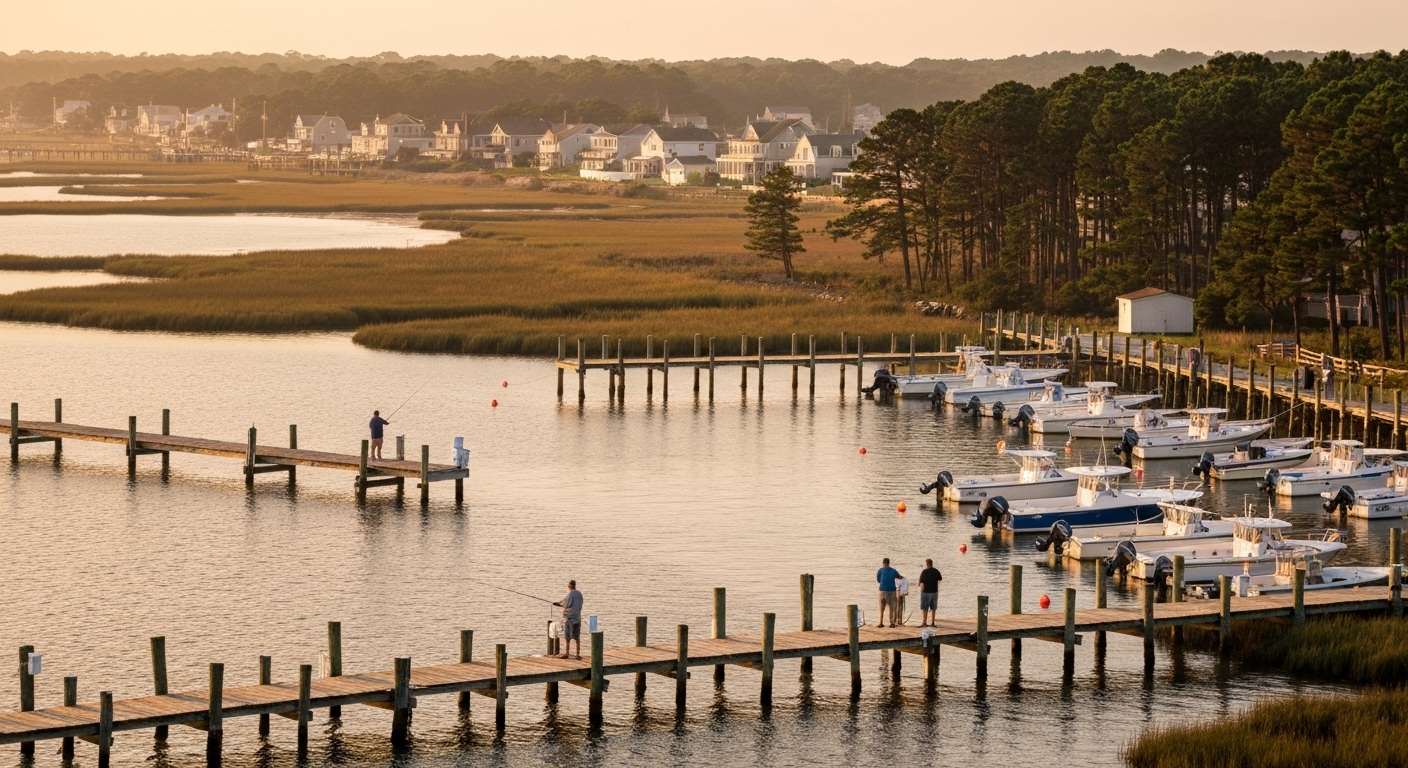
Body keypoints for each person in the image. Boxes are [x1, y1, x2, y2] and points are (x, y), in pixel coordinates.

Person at [553, 580, 583, 660]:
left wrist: (559, 604)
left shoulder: (570, 594)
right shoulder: (579, 594)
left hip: (570, 618)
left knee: (567, 638)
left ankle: (567, 653)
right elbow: (565, 600)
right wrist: (559, 602)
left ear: (569, 586)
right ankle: (577, 654)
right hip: (577, 618)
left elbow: (566, 604)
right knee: (577, 638)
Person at [876, 558, 901, 628]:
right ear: (889, 563)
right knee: (892, 607)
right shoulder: (893, 571)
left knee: (881, 607)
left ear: (883, 563)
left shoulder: (880, 570)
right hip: (892, 590)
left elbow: (878, 580)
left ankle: (880, 622)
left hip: (882, 590)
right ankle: (892, 622)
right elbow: (899, 576)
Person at [918, 559, 943, 627]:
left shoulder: (924, 572)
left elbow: (920, 582)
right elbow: (940, 579)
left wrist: (919, 586)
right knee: (933, 608)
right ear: (932, 564)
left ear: (926, 564)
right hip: (934, 592)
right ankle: (932, 622)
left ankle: (924, 622)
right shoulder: (936, 571)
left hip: (925, 592)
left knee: (924, 608)